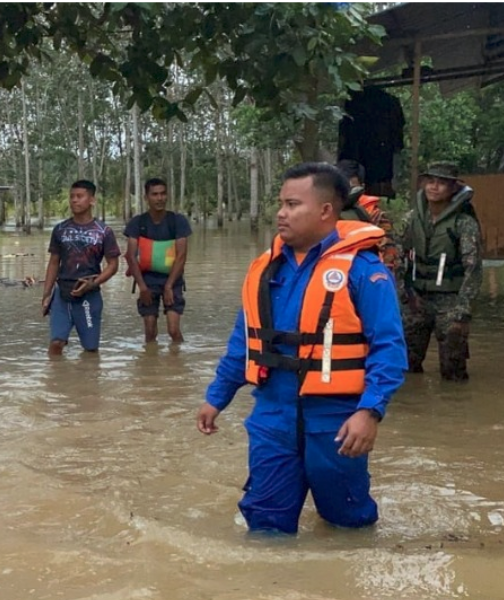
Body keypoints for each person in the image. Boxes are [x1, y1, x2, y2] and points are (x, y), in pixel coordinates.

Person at [196, 162, 407, 534]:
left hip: (336, 420)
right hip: (272, 415)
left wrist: (370, 411)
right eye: (281, 204)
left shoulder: (363, 270)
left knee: (348, 525)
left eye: (293, 205)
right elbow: (244, 341)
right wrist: (216, 397)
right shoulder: (266, 270)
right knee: (265, 525)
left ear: (325, 210)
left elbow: (388, 348)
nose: (281, 213)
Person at [396, 161, 483, 382]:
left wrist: (463, 310)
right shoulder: (411, 219)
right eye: (430, 181)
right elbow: (395, 258)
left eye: (441, 183)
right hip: (416, 299)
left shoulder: (464, 223)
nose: (434, 187)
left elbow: (473, 269)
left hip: (451, 301)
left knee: (453, 369)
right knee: (404, 366)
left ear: (453, 188)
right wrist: (403, 294)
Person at [40, 180, 121, 355]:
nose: (74, 200)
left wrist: (94, 283)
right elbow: (54, 262)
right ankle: (54, 372)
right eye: (72, 197)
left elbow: (113, 265)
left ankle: (88, 374)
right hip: (62, 294)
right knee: (56, 343)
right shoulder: (60, 229)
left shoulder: (104, 231)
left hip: (89, 296)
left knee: (90, 350)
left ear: (92, 200)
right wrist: (46, 295)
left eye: (79, 196)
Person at [124, 177, 192, 343]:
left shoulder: (177, 221)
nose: (159, 198)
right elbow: (131, 256)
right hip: (148, 280)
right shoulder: (138, 223)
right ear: (146, 197)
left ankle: (178, 355)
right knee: (150, 332)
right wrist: (142, 287)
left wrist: (169, 285)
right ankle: (151, 358)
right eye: (154, 194)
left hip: (173, 280)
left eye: (162, 194)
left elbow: (181, 256)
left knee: (173, 331)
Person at [335, 159, 397, 273]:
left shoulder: (376, 216)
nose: (345, 191)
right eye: (341, 185)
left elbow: (389, 256)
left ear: (361, 187)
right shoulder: (325, 213)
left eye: (351, 186)